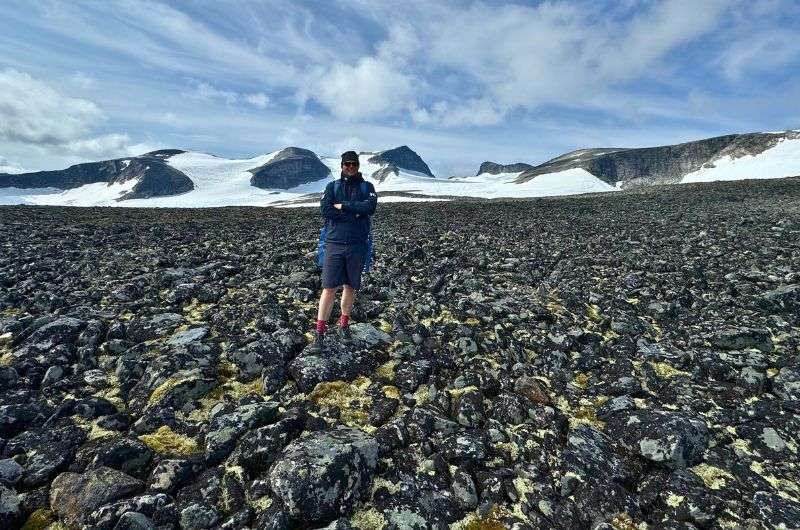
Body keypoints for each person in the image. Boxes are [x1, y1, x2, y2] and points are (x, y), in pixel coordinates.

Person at [308, 151, 377, 352]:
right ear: (341, 166)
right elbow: (325, 210)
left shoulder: (367, 187)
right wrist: (354, 214)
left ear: (358, 165)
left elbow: (370, 207)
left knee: (350, 286)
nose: (350, 167)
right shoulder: (332, 187)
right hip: (335, 243)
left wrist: (344, 207)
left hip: (357, 245)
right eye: (347, 164)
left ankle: (344, 324)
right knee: (329, 287)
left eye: (354, 164)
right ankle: (320, 332)